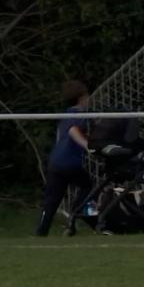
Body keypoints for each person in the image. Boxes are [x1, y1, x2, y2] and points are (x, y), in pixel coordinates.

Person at [34, 80, 93, 236]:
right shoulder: (79, 113)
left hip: (55, 161)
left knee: (51, 200)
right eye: (87, 96)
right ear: (81, 98)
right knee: (88, 185)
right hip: (69, 162)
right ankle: (74, 213)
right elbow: (73, 131)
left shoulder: (65, 114)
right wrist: (87, 145)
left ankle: (41, 231)